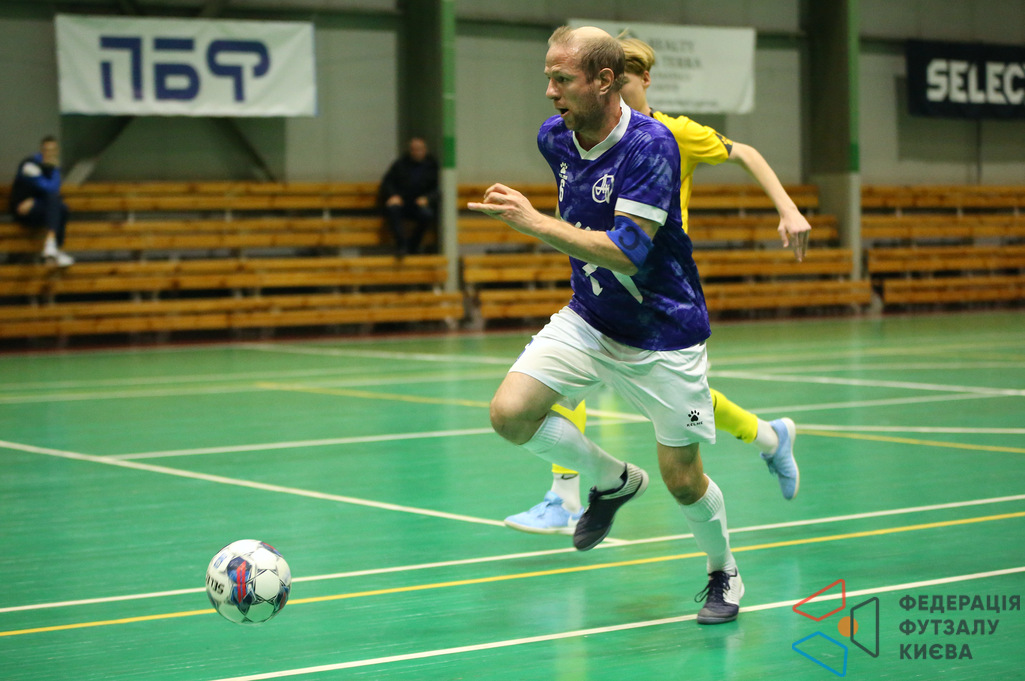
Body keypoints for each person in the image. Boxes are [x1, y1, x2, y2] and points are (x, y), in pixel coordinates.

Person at [469, 25, 746, 624]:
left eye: (561, 79)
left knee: (682, 479)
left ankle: (723, 571)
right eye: (548, 77)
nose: (550, 91)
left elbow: (629, 251)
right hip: (591, 318)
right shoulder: (555, 137)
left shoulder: (652, 146)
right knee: (510, 414)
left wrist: (534, 222)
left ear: (603, 81)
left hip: (666, 335)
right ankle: (613, 479)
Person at [504, 35, 809, 536]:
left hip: (659, 284)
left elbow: (746, 153)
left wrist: (788, 208)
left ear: (632, 80)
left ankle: (770, 438)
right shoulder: (573, 132)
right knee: (557, 383)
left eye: (626, 78)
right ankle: (565, 494)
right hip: (602, 285)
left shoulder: (669, 134)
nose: (619, 87)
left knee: (692, 413)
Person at [9, 135, 74, 267]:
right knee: (56, 202)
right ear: (41, 150)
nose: (49, 153)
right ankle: (52, 247)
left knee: (63, 208)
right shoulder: (29, 165)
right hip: (23, 209)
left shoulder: (52, 168)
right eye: (46, 150)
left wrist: (35, 200)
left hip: (40, 207)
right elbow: (48, 188)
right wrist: (55, 170)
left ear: (56, 151)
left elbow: (53, 190)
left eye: (52, 150)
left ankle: (53, 248)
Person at [378, 137, 439, 256]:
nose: (417, 152)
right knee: (392, 209)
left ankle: (413, 246)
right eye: (414, 149)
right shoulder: (400, 164)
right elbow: (387, 183)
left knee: (427, 215)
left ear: (425, 150)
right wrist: (393, 196)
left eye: (420, 149)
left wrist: (428, 198)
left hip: (420, 204)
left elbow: (438, 188)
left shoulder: (432, 166)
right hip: (403, 202)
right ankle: (401, 245)